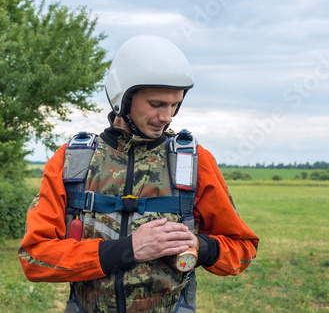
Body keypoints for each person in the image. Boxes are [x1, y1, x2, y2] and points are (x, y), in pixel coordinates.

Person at [18, 34, 259, 313]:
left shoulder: (194, 162)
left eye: (174, 105)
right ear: (123, 99)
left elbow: (242, 250)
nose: (167, 116)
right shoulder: (73, 161)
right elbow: (35, 257)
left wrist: (200, 246)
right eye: (156, 104)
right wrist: (128, 250)